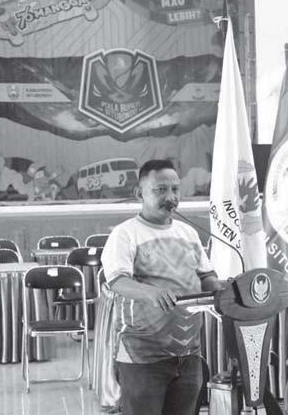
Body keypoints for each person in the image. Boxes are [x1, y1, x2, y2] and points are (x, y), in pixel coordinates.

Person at [101, 159, 222, 415]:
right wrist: (152, 293)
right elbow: (117, 282)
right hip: (142, 355)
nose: (170, 197)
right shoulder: (125, 234)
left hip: (188, 352)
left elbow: (206, 276)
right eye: (160, 190)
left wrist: (220, 286)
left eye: (175, 189)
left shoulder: (188, 233)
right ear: (139, 193)